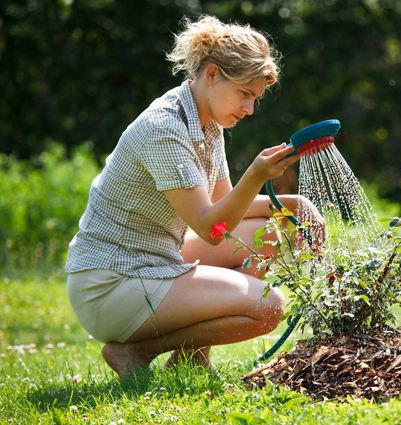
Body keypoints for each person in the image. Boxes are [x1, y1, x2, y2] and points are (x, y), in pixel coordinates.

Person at [65, 15, 324, 379]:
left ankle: (191, 359)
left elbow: (225, 208)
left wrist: (296, 205)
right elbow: (212, 228)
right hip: (112, 283)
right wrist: (256, 175)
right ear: (213, 74)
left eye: (256, 98)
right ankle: (136, 350)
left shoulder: (207, 123)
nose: (250, 109)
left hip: (156, 259)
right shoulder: (164, 130)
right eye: (245, 94)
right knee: (268, 308)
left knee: (275, 231)